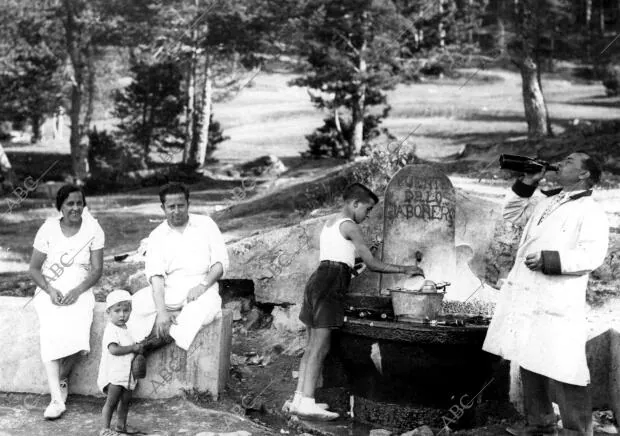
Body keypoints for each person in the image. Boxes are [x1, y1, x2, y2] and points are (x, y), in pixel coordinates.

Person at [482, 152, 609, 436]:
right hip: (530, 294)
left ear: (584, 174)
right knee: (529, 355)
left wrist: (551, 260)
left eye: (569, 162)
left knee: (566, 365)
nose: (560, 163)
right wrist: (527, 182)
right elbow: (512, 212)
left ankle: (578, 430)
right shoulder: (548, 201)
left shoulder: (591, 211)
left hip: (557, 297)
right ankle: (540, 424)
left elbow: (592, 255)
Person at [287, 182, 424, 420]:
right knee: (321, 347)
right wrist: (405, 269)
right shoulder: (350, 226)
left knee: (311, 346)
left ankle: (299, 399)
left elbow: (340, 259)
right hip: (330, 283)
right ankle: (307, 401)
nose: (368, 215)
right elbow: (372, 263)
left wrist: (353, 264)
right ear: (355, 204)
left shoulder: (330, 223)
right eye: (367, 210)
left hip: (318, 280)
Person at [127, 182, 228, 375]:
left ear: (188, 204)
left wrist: (202, 285)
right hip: (171, 289)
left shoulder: (206, 224)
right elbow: (156, 277)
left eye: (181, 205)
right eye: (171, 207)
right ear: (163, 208)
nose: (176, 211)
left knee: (201, 311)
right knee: (137, 305)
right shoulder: (157, 235)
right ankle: (162, 325)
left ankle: (147, 347)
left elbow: (221, 263)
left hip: (202, 286)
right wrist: (163, 312)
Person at [29, 184, 105, 419]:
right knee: (51, 332)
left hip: (80, 289)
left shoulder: (93, 229)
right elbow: (33, 269)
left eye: (79, 203)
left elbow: (97, 270)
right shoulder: (48, 229)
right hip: (50, 288)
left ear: (84, 204)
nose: (75, 208)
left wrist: (78, 290)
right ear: (60, 206)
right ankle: (55, 400)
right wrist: (50, 290)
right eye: (69, 203)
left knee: (79, 337)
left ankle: (62, 379)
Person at [98, 290, 143, 436]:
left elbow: (131, 347)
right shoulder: (111, 330)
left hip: (127, 374)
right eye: (117, 311)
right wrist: (132, 348)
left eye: (126, 310)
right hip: (115, 375)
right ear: (109, 312)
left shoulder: (127, 329)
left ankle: (121, 426)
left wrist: (138, 349)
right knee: (111, 402)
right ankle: (105, 429)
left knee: (125, 401)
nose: (122, 315)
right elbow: (114, 350)